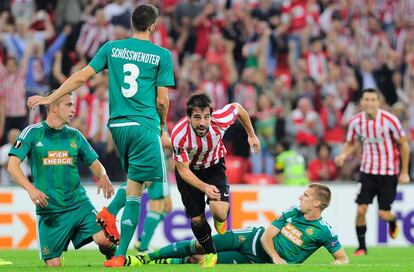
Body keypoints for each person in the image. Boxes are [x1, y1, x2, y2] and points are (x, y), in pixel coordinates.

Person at [26, 4, 174, 267]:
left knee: (135, 185)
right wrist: (162, 127)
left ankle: (112, 224)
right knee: (146, 193)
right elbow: (162, 101)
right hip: (144, 126)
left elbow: (82, 77)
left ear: (132, 23)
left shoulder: (111, 48)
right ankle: (116, 242)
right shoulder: (161, 55)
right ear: (153, 26)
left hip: (117, 127)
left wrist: (51, 97)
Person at [7, 93, 116, 267]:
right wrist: (31, 189)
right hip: (50, 210)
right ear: (53, 108)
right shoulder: (33, 133)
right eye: (68, 105)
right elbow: (12, 166)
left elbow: (95, 163)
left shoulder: (75, 136)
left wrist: (103, 175)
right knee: (54, 265)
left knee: (105, 239)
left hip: (78, 204)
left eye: (73, 105)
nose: (73, 109)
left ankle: (114, 257)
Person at [125, 183, 349, 266]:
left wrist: (333, 265)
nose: (301, 197)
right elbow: (266, 236)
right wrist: (277, 258)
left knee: (200, 261)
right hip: (249, 238)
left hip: (254, 259)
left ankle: (165, 262)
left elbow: (342, 259)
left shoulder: (323, 231)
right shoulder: (292, 212)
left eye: (306, 196)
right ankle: (145, 258)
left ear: (318, 203)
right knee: (200, 246)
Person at [170, 93, 261, 268]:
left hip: (213, 167)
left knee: (219, 213)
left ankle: (220, 219)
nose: (202, 123)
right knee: (197, 220)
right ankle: (211, 252)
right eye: (197, 117)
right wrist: (204, 187)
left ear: (211, 116)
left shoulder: (220, 120)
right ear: (188, 118)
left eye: (206, 117)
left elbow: (238, 108)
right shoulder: (179, 134)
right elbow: (182, 169)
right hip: (190, 173)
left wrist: (251, 134)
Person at [335, 88, 410, 256]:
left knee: (384, 214)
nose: (369, 103)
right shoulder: (356, 122)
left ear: (378, 102)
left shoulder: (390, 120)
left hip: (388, 172)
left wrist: (404, 171)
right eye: (366, 99)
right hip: (367, 171)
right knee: (361, 210)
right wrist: (343, 155)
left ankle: (392, 220)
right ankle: (362, 247)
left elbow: (403, 144)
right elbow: (349, 142)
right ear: (361, 102)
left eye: (372, 100)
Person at [97, 129, 173, 253]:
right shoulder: (156, 115)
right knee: (156, 202)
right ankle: (143, 245)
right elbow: (164, 142)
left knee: (167, 206)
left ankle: (142, 240)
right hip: (155, 154)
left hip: (139, 144)